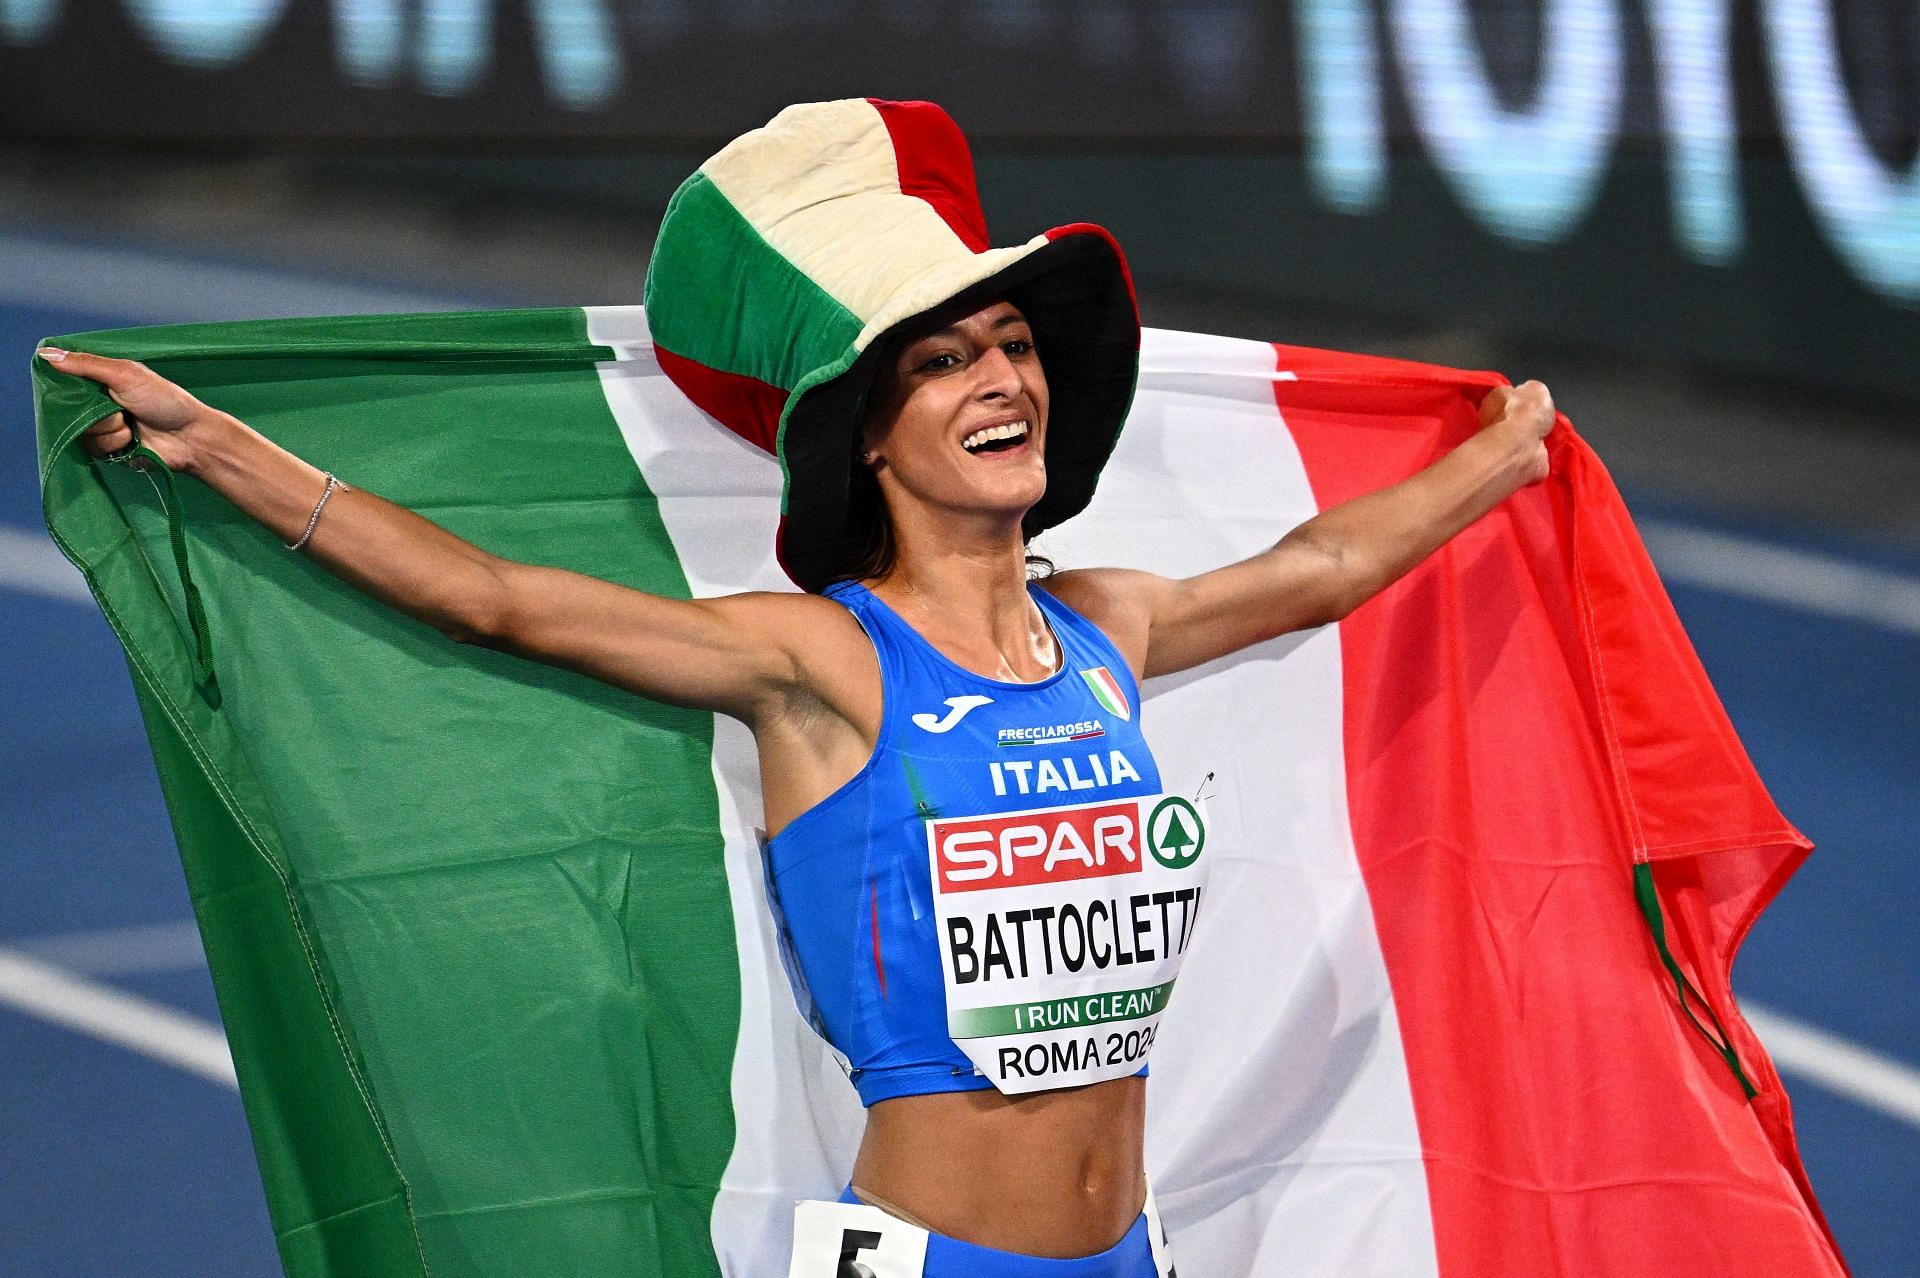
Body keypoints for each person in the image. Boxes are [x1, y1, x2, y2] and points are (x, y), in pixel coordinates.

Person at [37, 99, 1553, 1278]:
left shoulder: (1111, 629)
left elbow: (1322, 566)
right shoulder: (820, 661)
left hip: (1129, 1248)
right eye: (949, 363)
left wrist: (1504, 454)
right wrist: (228, 451)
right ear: (870, 443)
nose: (1005, 380)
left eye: (1016, 345)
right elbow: (499, 600)